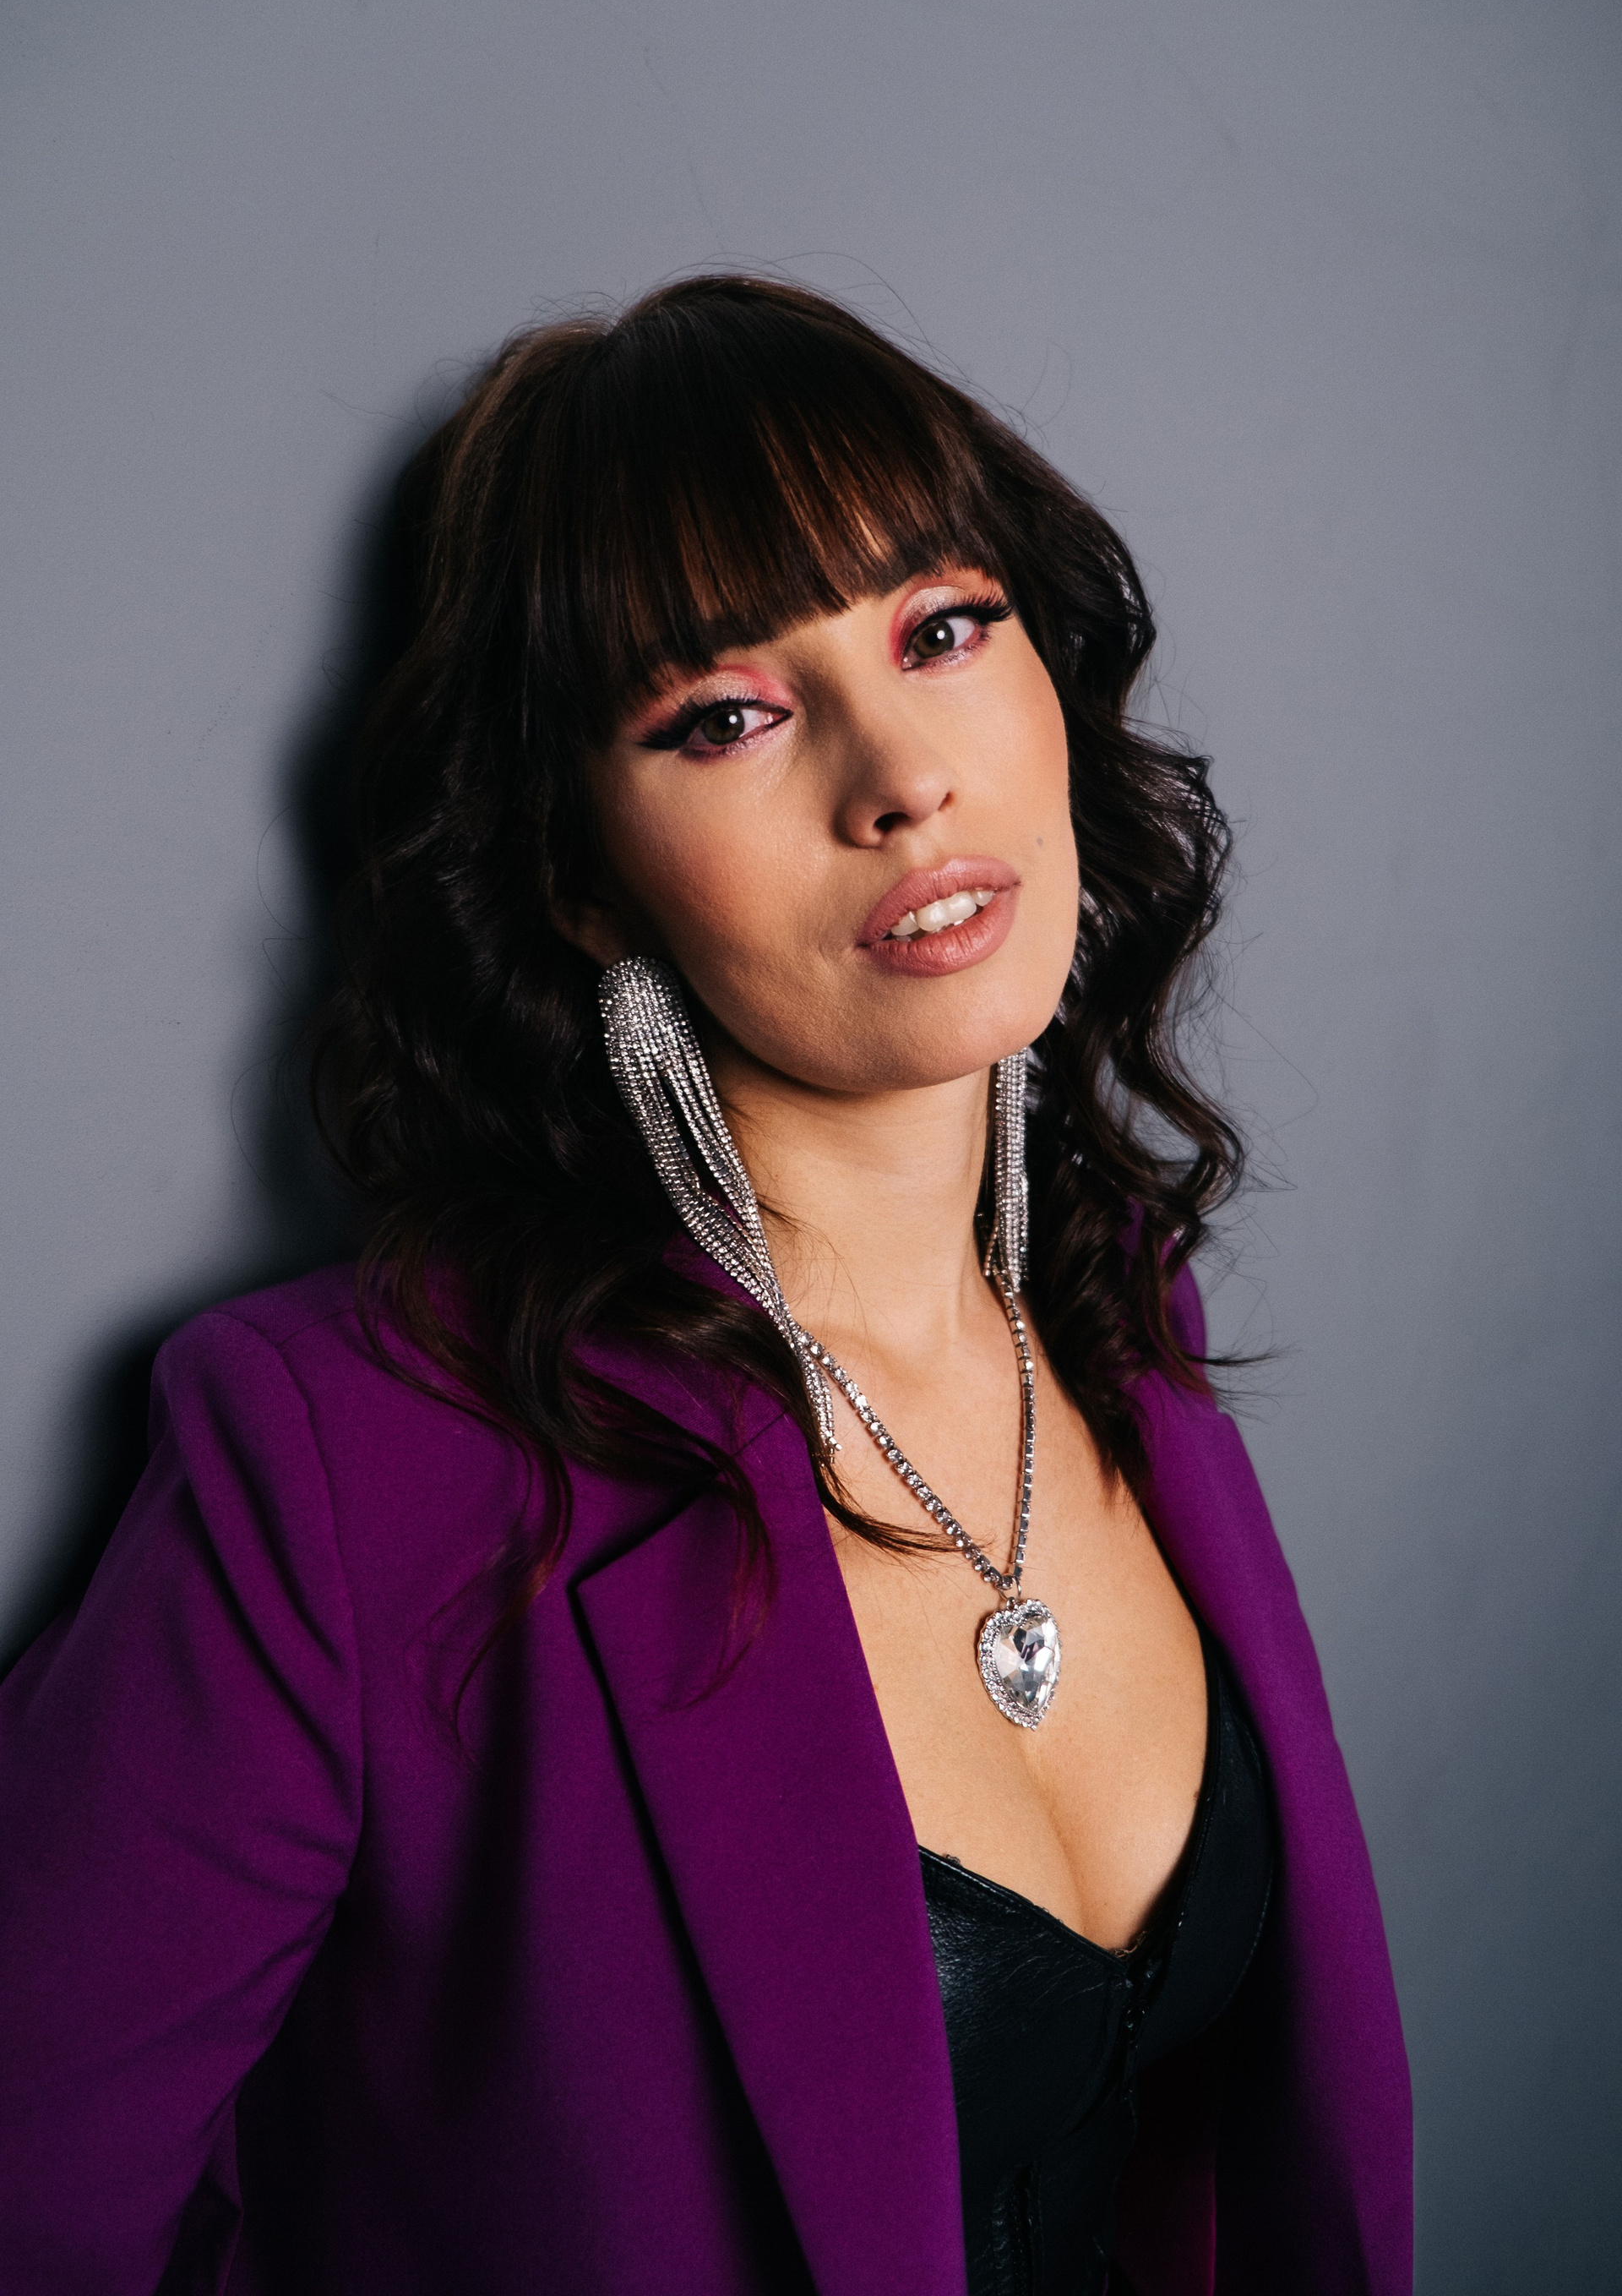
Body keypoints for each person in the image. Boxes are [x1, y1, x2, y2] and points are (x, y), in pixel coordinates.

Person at [0, 275, 1411, 2295]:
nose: (901, 777)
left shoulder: (1121, 1316)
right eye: (730, 716)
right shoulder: (345, 1469)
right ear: (582, 876)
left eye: (943, 628)